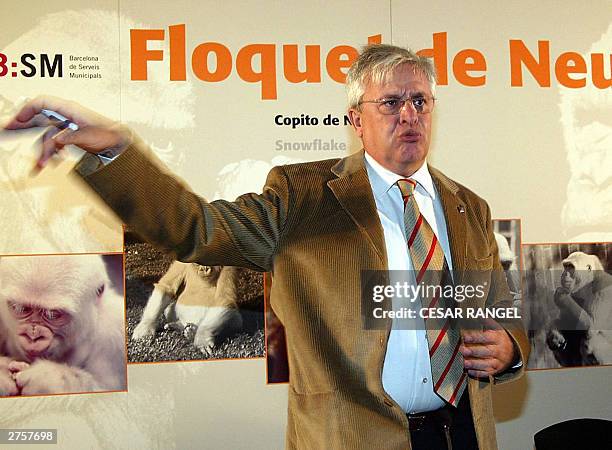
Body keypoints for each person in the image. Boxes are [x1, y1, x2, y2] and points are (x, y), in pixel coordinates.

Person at [5, 44, 528, 450]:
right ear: (354, 119)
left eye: (420, 101)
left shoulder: (468, 207)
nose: (409, 115)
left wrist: (509, 350)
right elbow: (197, 229)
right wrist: (120, 151)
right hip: (353, 436)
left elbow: (498, 309)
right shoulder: (304, 196)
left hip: (463, 432)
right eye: (391, 102)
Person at [546, 251, 612, 367]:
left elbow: (590, 329)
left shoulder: (605, 285)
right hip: (585, 354)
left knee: (591, 342)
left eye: (571, 268)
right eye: (565, 267)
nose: (566, 275)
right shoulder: (581, 287)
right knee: (556, 330)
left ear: (588, 269)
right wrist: (555, 330)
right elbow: (566, 320)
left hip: (605, 351)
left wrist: (565, 300)